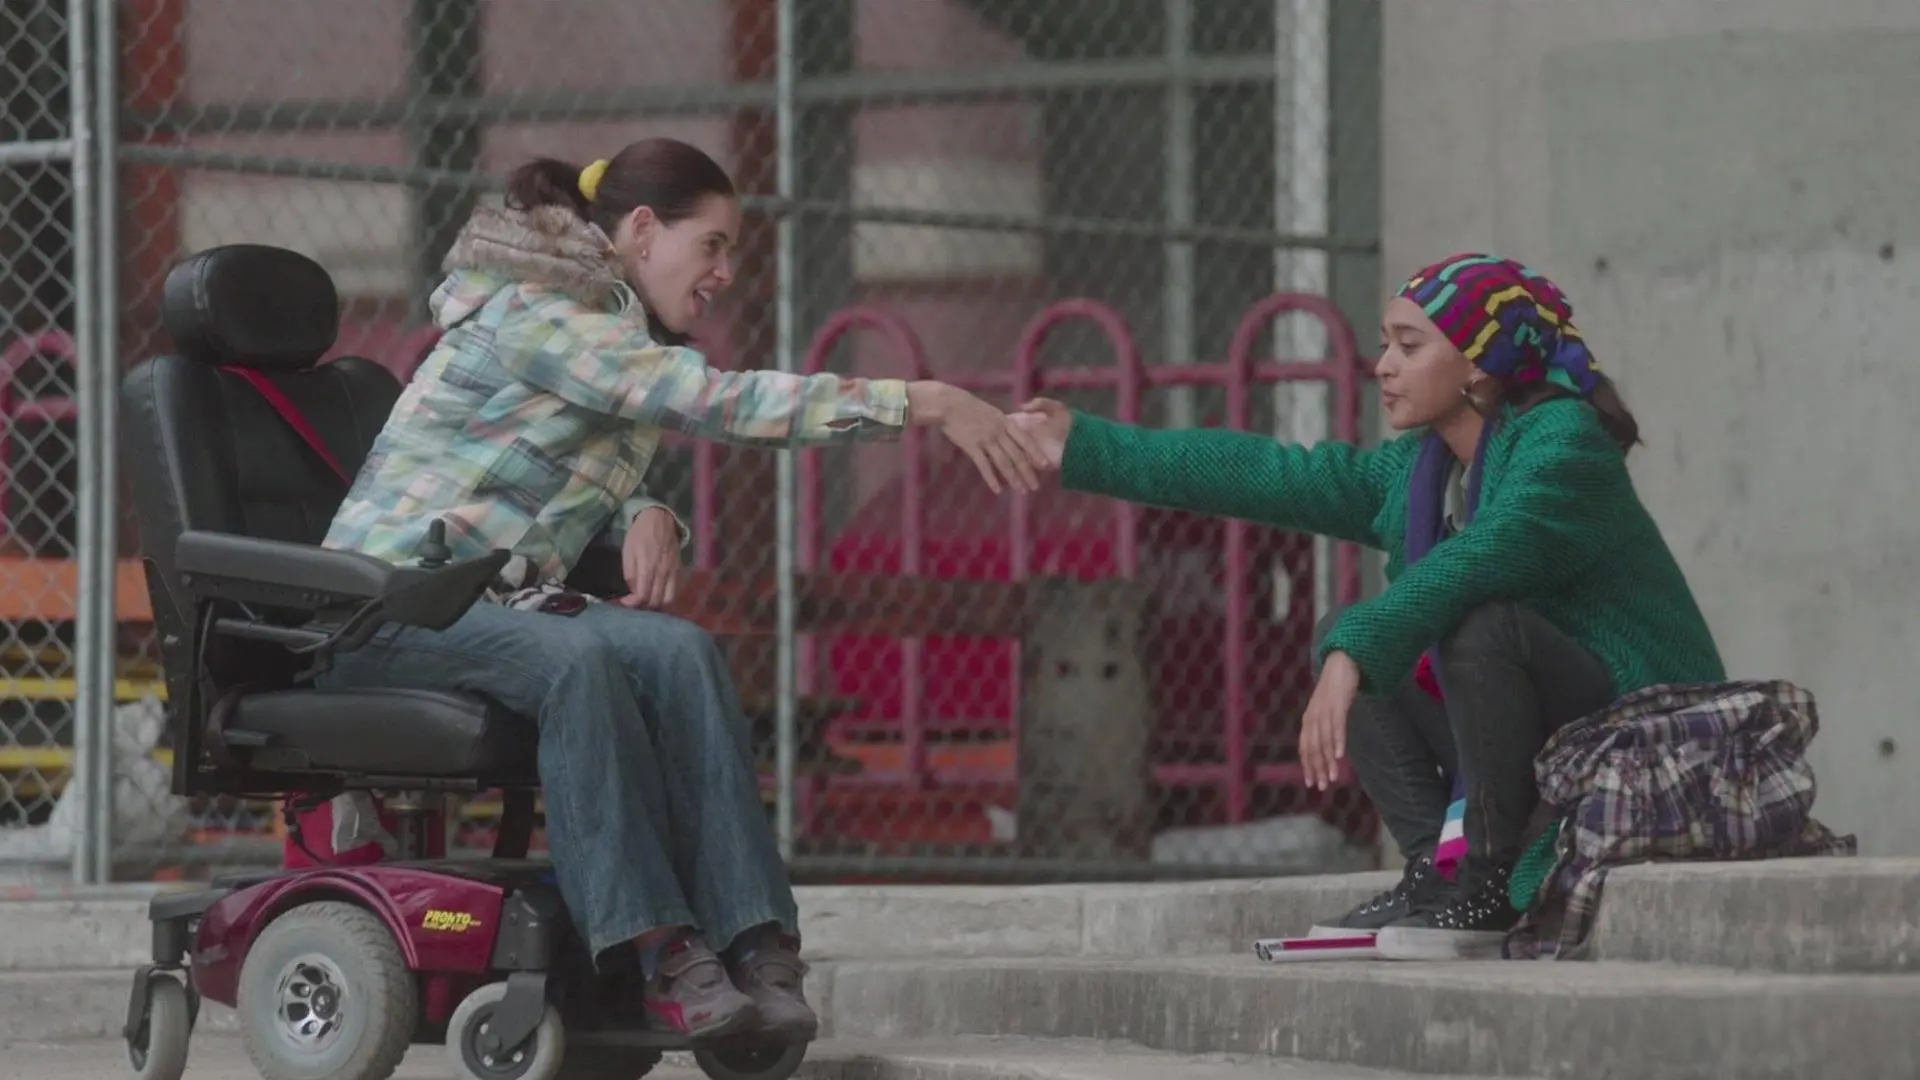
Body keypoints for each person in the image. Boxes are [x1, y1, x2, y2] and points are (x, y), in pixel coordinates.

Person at [318, 137, 1048, 1038]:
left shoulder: (603, 329)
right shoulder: (541, 312)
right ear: (641, 229)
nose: (726, 273)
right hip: (388, 610)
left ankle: (754, 940)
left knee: (681, 651)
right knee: (577, 662)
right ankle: (657, 949)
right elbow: (714, 402)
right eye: (712, 246)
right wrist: (924, 402)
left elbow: (546, 459)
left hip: (490, 605)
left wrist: (645, 513)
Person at [1009, 253, 1725, 956]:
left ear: (1479, 363)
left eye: (1408, 346)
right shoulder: (1422, 468)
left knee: (1466, 627)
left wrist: (1356, 651)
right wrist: (1084, 444)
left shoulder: (1564, 443)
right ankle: (1435, 873)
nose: (1382, 365)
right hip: (1547, 736)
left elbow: (1488, 554)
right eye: (1385, 344)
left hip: (1636, 735)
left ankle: (1487, 878)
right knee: (1352, 631)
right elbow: (1268, 475)